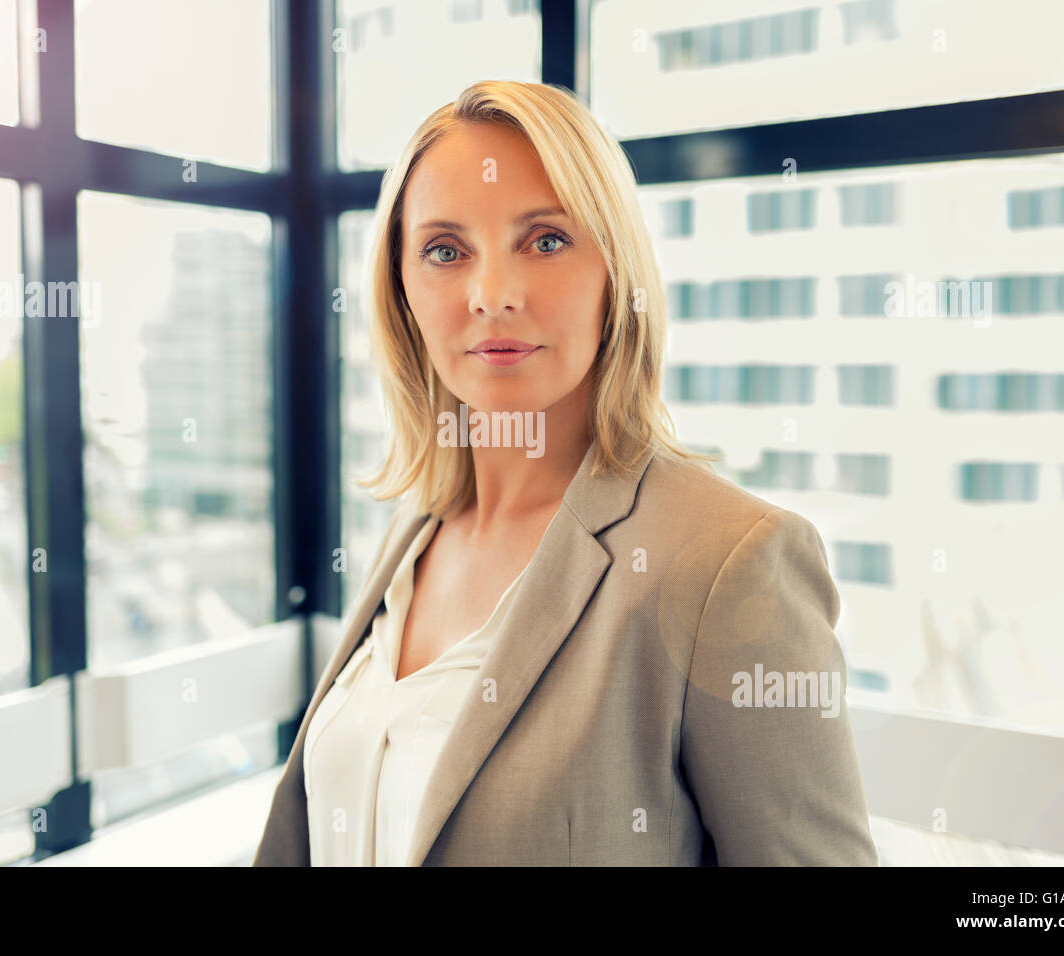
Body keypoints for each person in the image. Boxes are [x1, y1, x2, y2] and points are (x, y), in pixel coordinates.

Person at [253, 80, 877, 866]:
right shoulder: (418, 531)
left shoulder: (731, 561)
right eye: (446, 251)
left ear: (615, 271)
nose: (493, 296)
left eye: (545, 240)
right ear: (401, 290)